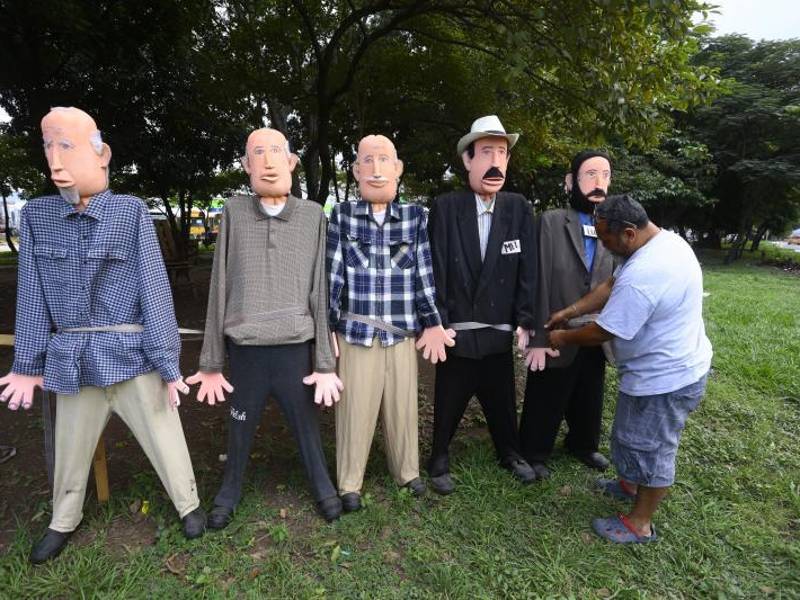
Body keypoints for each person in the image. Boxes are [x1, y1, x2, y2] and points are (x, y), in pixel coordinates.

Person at [0, 107, 205, 564]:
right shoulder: (35, 216)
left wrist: (169, 366)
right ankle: (62, 520)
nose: (55, 160)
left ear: (102, 155)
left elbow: (155, 291)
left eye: (66, 146)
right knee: (69, 447)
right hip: (72, 357)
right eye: (48, 147)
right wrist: (28, 365)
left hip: (131, 354)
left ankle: (189, 505)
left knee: (164, 432)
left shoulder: (130, 213)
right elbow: (32, 293)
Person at [187, 128, 344, 527]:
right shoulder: (234, 212)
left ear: (292, 162)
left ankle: (323, 486)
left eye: (277, 151)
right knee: (239, 427)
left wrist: (324, 363)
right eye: (259, 153)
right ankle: (230, 488)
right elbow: (219, 287)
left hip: (295, 350)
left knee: (307, 428)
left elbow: (320, 289)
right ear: (246, 165)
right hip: (247, 351)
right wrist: (212, 361)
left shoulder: (312, 216)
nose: (269, 160)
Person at [546, 194, 712, 543]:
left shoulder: (648, 272)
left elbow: (607, 330)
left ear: (629, 233)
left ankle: (639, 523)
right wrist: (570, 310)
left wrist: (564, 336)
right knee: (630, 435)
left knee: (653, 448)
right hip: (656, 368)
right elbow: (610, 285)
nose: (603, 243)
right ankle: (628, 484)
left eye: (606, 237)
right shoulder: (662, 243)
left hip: (665, 377)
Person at [327, 134, 454, 512]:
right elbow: (332, 274)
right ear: (355, 171)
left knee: (403, 406)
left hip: (401, 334)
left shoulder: (416, 217)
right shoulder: (342, 216)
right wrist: (328, 326)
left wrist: (432, 322)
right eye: (367, 160)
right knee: (353, 410)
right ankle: (350, 481)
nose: (376, 169)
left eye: (384, 160)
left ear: (398, 169)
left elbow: (424, 275)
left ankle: (407, 471)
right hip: (356, 333)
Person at [427, 115, 538, 494]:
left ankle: (510, 452)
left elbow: (528, 270)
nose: (496, 162)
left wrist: (526, 319)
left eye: (503, 153)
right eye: (487, 152)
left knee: (503, 398)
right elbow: (436, 269)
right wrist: (437, 322)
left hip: (498, 332)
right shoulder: (446, 208)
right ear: (467, 160)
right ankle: (439, 454)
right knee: (448, 398)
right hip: (457, 333)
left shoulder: (518, 208)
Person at [519, 150, 615, 479]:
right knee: (548, 389)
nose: (598, 183)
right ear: (571, 181)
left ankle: (583, 444)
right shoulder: (551, 220)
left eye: (605, 175)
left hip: (595, 329)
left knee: (590, 390)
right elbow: (538, 275)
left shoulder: (613, 226)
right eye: (590, 175)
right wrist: (538, 331)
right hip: (555, 324)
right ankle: (534, 450)